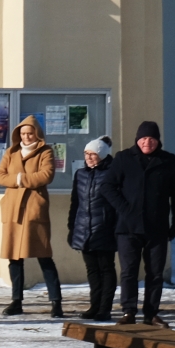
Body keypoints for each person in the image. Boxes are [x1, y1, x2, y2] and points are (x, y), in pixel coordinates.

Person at [99, 122, 175, 325]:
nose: (148, 142)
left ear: (158, 140)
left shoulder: (167, 160)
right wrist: (125, 210)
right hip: (128, 228)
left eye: (152, 139)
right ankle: (129, 311)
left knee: (155, 272)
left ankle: (151, 313)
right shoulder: (123, 158)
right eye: (144, 138)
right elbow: (107, 187)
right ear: (138, 139)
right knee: (129, 271)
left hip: (157, 227)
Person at [0, 116, 62, 317]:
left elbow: (46, 175)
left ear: (37, 134)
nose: (26, 137)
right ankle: (16, 301)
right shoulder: (11, 152)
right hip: (14, 209)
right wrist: (19, 180)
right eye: (23, 134)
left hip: (34, 208)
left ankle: (56, 302)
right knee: (14, 257)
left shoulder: (46, 151)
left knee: (44, 256)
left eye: (29, 133)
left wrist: (18, 179)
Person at [67, 137, 118, 322]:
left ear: (102, 155)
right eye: (86, 154)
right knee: (92, 270)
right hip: (83, 229)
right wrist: (72, 227)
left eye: (93, 154)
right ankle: (94, 305)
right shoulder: (80, 174)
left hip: (105, 229)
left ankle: (105, 308)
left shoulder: (112, 173)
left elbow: (117, 204)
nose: (88, 157)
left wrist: (115, 228)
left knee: (106, 269)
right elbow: (75, 203)